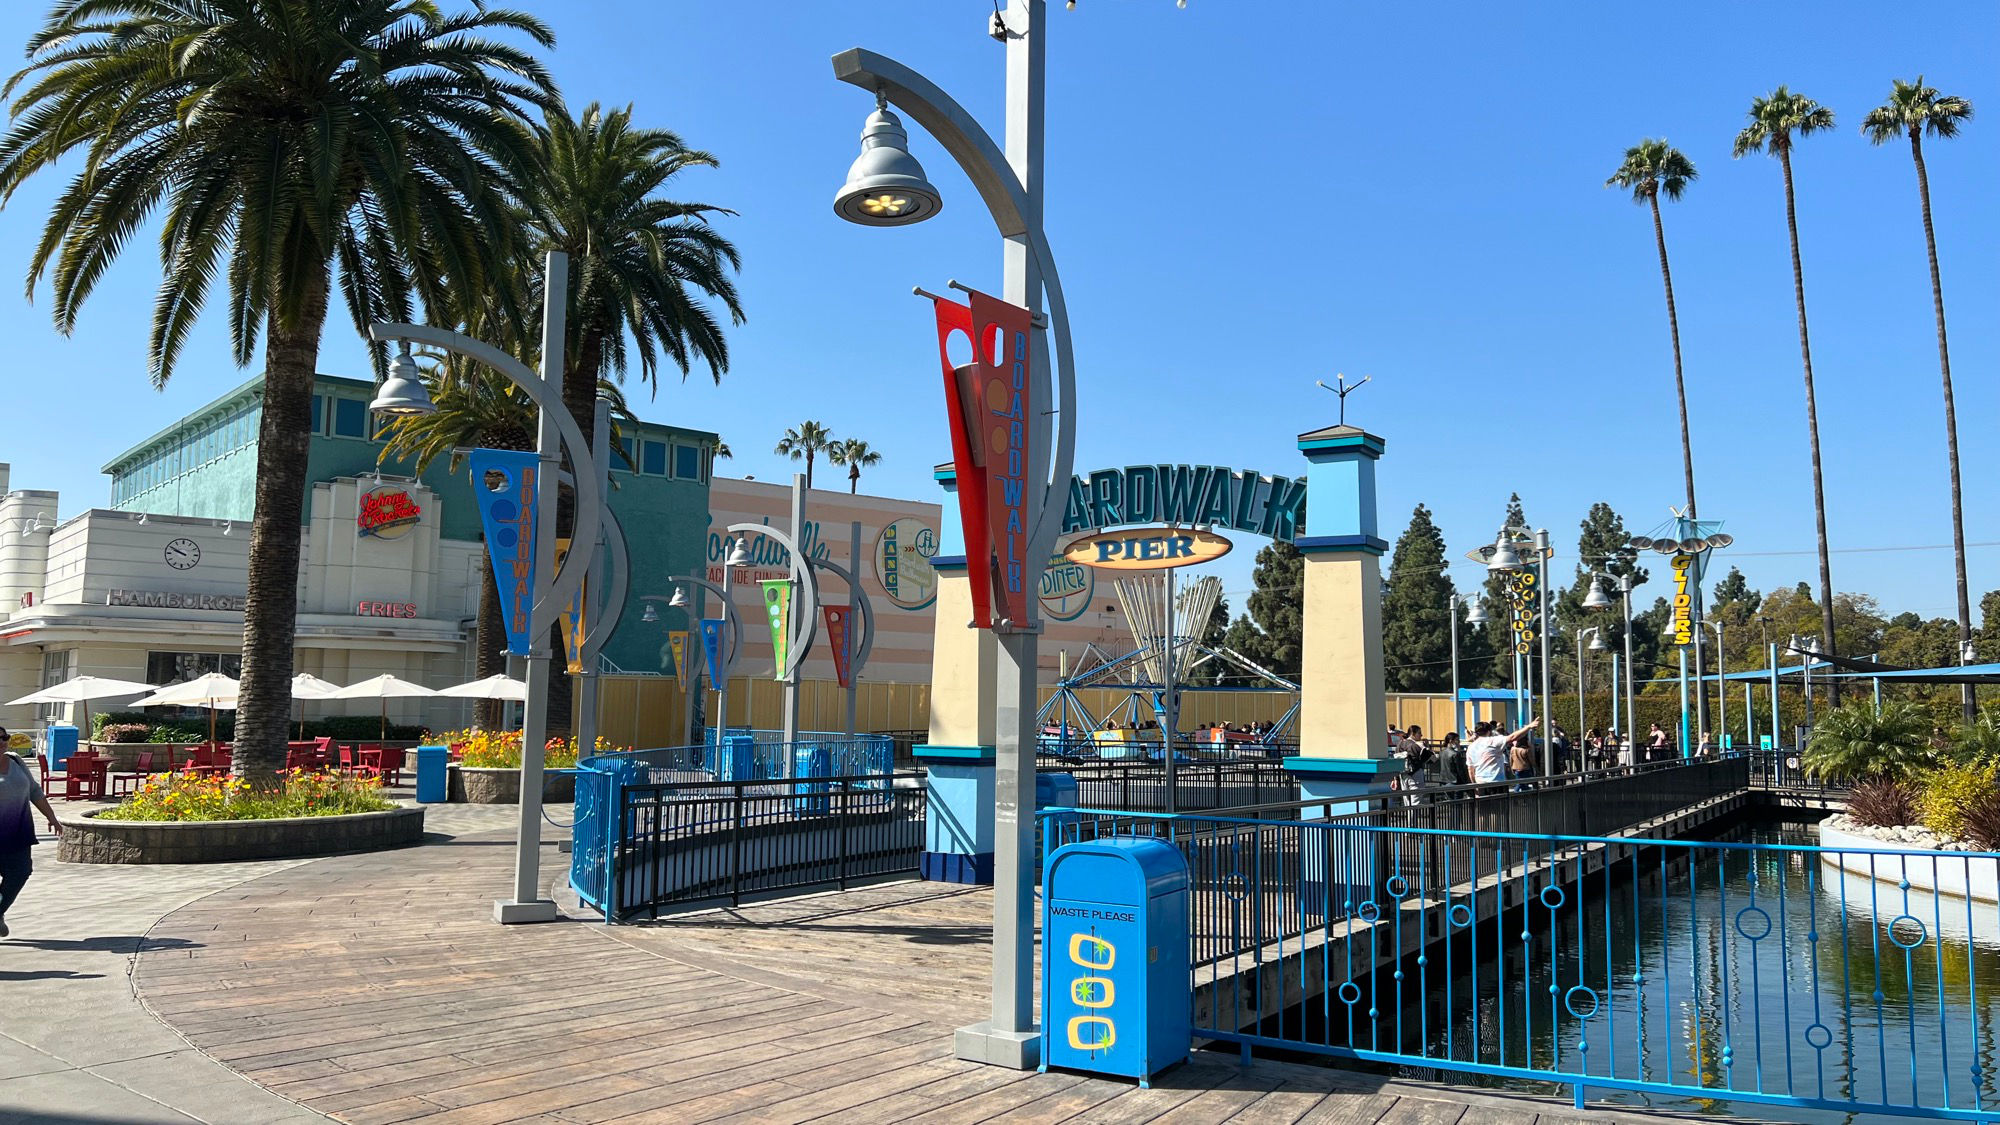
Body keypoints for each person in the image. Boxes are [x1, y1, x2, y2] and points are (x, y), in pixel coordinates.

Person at [1, 727, 64, 938]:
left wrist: (51, 817)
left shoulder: (16, 761)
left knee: (20, 872)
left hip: (18, 832)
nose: (2, 741)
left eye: (4, 737)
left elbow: (34, 791)